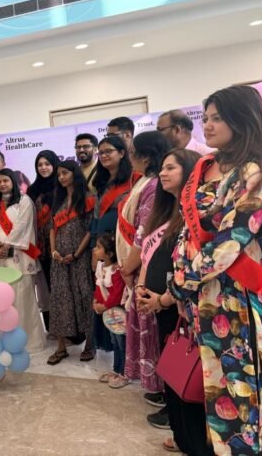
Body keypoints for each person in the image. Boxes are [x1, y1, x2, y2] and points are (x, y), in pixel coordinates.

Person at [172, 85, 262, 455]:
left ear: (242, 119)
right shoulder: (206, 166)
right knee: (218, 385)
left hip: (240, 295)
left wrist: (184, 280)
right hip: (207, 293)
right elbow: (188, 230)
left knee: (244, 387)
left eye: (217, 118)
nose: (208, 125)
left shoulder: (256, 169)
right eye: (206, 118)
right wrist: (182, 276)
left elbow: (233, 237)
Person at [135, 149, 211, 455]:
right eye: (162, 168)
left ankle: (194, 442)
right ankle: (181, 436)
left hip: (182, 307)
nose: (163, 173)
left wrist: (164, 299)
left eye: (171, 168)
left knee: (189, 379)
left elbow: (193, 268)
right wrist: (142, 288)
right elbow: (149, 256)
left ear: (189, 171)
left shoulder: (197, 212)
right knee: (173, 374)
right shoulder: (167, 212)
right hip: (162, 306)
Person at [117, 131, 169, 396]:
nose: (130, 157)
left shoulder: (153, 186)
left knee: (153, 330)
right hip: (136, 266)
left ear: (146, 157)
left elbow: (145, 232)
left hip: (145, 268)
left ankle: (161, 388)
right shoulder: (144, 182)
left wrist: (128, 266)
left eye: (132, 152)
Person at [0, 168, 45, 352]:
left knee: (23, 301)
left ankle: (29, 343)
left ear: (13, 182)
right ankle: (7, 342)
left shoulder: (24, 201)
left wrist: (7, 245)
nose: (2, 184)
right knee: (3, 302)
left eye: (6, 181)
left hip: (20, 258)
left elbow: (22, 226)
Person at [46, 161, 96, 363]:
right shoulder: (58, 201)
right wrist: (54, 251)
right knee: (59, 300)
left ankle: (90, 345)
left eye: (65, 173)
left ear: (75, 174)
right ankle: (61, 348)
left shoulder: (88, 199)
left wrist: (76, 254)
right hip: (58, 261)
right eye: (59, 175)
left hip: (80, 259)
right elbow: (52, 228)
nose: (61, 178)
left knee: (84, 298)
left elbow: (90, 230)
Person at [90, 136, 134, 353]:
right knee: (104, 289)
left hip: (123, 243)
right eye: (101, 152)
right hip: (104, 245)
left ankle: (127, 355)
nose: (104, 155)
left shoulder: (134, 179)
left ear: (122, 152)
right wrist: (94, 250)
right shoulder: (101, 182)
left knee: (120, 293)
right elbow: (96, 216)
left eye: (109, 151)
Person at [27, 150, 59, 332]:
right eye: (40, 165)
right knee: (46, 287)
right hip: (40, 247)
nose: (43, 167)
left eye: (47, 164)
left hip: (60, 244)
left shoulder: (61, 187)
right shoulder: (32, 190)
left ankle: (70, 331)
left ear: (54, 165)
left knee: (61, 286)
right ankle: (52, 328)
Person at [91, 232, 126, 383]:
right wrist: (95, 301)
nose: (94, 249)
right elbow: (98, 287)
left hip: (117, 311)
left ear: (109, 254)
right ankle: (116, 368)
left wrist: (104, 306)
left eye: (98, 247)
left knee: (121, 341)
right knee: (114, 340)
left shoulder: (116, 271)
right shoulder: (100, 267)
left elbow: (117, 294)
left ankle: (124, 371)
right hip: (108, 312)